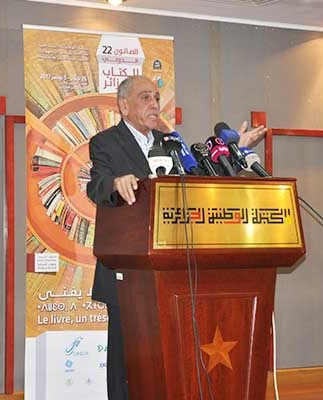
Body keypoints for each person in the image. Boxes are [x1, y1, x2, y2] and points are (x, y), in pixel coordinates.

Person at [86, 75, 267, 399]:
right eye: (145, 97)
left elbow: (199, 178)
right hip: (127, 272)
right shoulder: (105, 142)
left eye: (156, 97)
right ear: (124, 106)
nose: (155, 104)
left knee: (168, 362)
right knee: (127, 365)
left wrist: (234, 150)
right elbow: (96, 185)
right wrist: (115, 183)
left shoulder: (171, 142)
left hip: (172, 272)